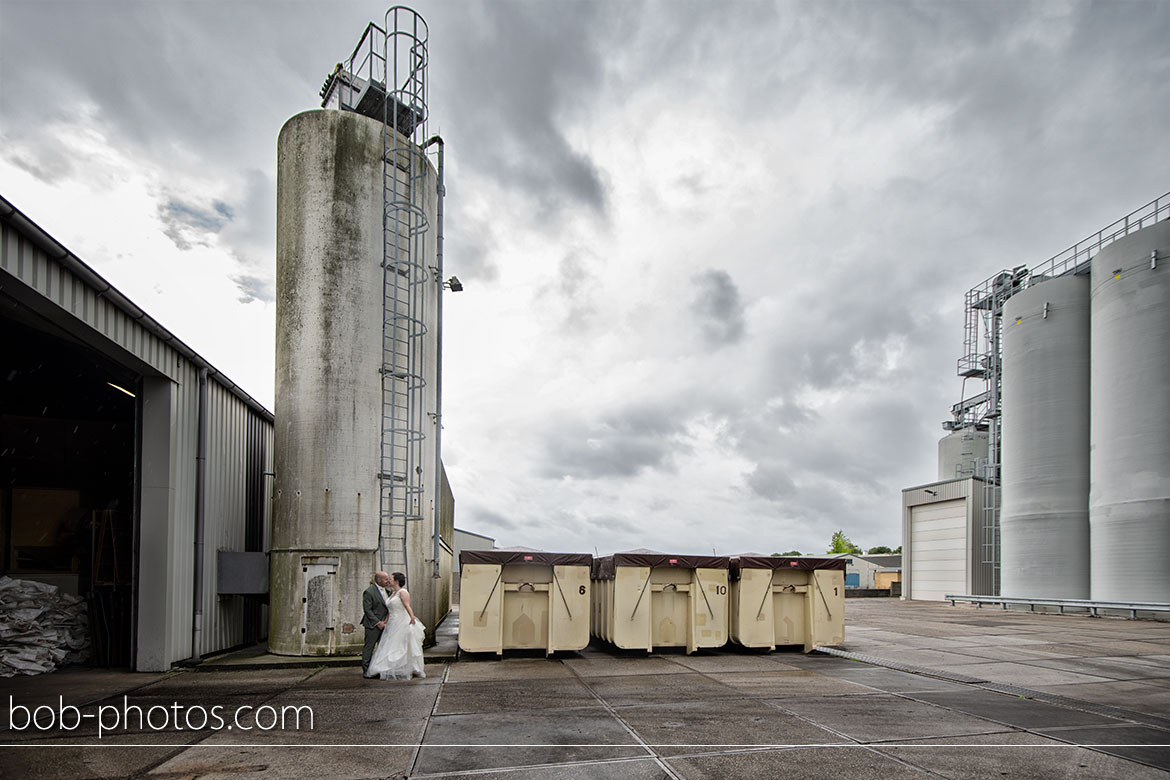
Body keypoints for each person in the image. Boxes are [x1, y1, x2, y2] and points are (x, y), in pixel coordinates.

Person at [366, 571, 426, 680]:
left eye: (391, 579)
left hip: (401, 620)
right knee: (389, 644)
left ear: (397, 581)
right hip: (392, 622)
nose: (389, 580)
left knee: (400, 645)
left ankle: (401, 667)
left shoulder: (403, 592)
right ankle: (386, 667)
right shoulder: (392, 593)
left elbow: (407, 606)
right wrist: (385, 621)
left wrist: (412, 618)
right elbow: (389, 610)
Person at [361, 572, 392, 677]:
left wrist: (386, 621)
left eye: (388, 579)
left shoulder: (388, 590)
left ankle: (379, 669)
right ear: (378, 580)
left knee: (382, 647)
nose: (387, 581)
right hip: (372, 625)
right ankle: (366, 670)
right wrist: (378, 622)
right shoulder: (369, 592)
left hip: (386, 623)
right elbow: (367, 610)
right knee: (369, 647)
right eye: (385, 579)